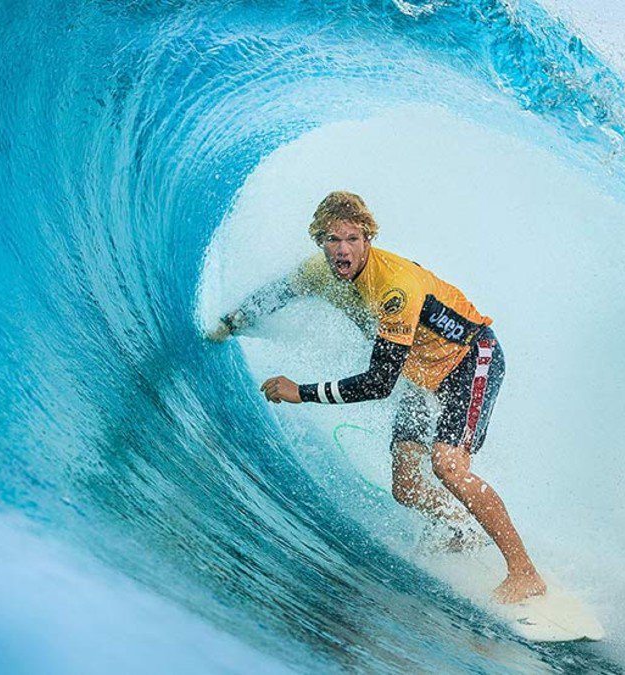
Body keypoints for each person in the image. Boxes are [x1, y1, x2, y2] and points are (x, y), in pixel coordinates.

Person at [207, 191, 546, 603]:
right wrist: (230, 323)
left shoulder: (394, 288)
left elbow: (379, 382)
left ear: (368, 238)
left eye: (352, 238)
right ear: (319, 242)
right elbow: (279, 293)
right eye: (333, 240)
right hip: (418, 374)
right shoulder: (319, 272)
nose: (342, 250)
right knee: (406, 487)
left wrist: (302, 392)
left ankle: (525, 573)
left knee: (448, 466)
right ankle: (464, 528)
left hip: (470, 360)